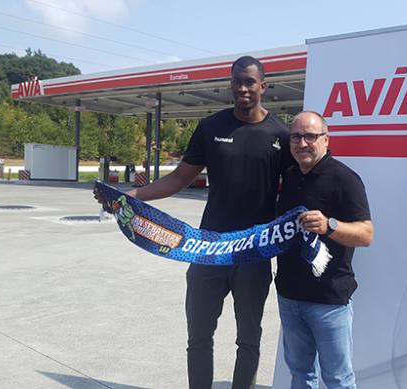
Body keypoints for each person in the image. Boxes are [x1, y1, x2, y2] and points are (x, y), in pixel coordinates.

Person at [95, 55, 290, 389]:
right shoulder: (210, 128)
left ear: (263, 86)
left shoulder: (281, 135)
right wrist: (132, 198)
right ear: (230, 84)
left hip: (253, 254)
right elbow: (178, 179)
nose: (242, 88)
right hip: (207, 249)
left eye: (249, 82)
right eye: (237, 81)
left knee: (249, 340)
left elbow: (295, 192)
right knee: (198, 336)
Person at [275, 111, 373, 389]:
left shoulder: (345, 179)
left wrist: (330, 225)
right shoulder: (290, 176)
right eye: (296, 136)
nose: (303, 143)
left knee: (338, 379)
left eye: (311, 136)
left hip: (329, 301)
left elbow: (366, 234)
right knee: (300, 375)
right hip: (289, 296)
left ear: (326, 140)